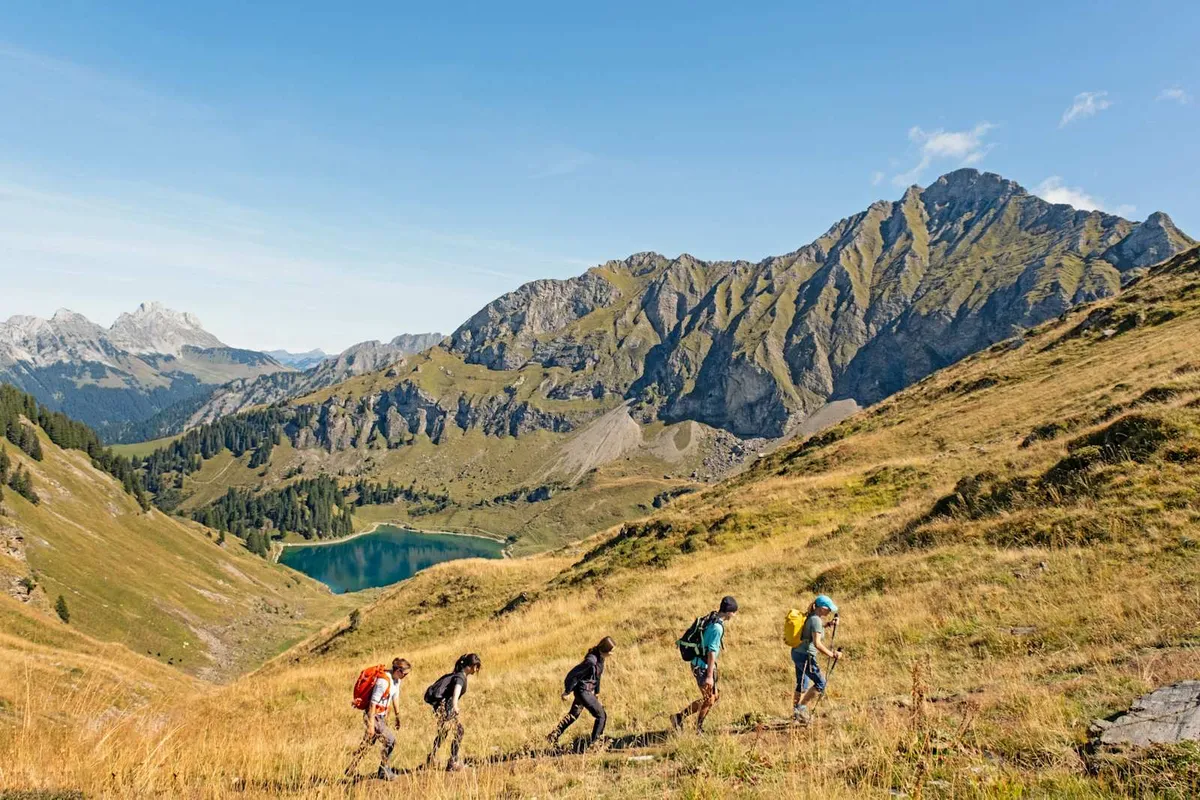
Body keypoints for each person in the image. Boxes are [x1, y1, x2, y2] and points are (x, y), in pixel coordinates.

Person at [672, 596, 738, 732]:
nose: (735, 615)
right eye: (734, 612)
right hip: (702, 667)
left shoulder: (712, 618)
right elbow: (711, 652)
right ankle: (697, 728)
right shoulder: (717, 628)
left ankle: (679, 717)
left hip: (700, 664)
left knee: (713, 697)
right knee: (709, 699)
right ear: (728, 612)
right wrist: (709, 676)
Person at [346, 657, 410, 781]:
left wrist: (398, 716)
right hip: (373, 716)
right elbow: (372, 704)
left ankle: (352, 767)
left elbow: (395, 698)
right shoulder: (383, 681)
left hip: (381, 716)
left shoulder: (397, 681)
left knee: (369, 742)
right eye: (405, 674)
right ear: (398, 671)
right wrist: (370, 725)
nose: (406, 676)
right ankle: (384, 770)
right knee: (391, 741)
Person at [547, 636, 615, 750]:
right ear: (605, 650)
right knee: (601, 716)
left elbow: (597, 677)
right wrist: (567, 691)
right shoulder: (591, 660)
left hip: (586, 691)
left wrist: (597, 692)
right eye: (611, 651)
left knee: (573, 715)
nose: (612, 653)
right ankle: (595, 744)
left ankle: (553, 736)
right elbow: (574, 675)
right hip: (583, 692)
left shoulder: (600, 658)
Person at [424, 653, 481, 772]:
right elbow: (457, 691)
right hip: (447, 708)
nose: (477, 670)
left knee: (443, 733)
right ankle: (453, 761)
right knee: (459, 731)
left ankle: (432, 757)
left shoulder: (458, 675)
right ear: (471, 666)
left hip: (442, 707)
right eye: (476, 666)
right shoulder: (460, 677)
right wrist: (455, 705)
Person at [792, 594, 843, 723]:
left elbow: (810, 631)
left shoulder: (811, 617)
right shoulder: (816, 620)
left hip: (797, 653)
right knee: (821, 683)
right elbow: (817, 644)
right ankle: (801, 710)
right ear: (821, 608)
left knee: (802, 684)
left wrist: (828, 624)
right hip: (805, 657)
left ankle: (796, 714)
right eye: (828, 608)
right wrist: (833, 654)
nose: (830, 611)